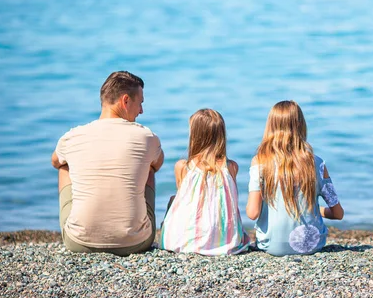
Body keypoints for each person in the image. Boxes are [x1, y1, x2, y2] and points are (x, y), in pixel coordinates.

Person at [51, 71, 164, 255]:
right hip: (136, 242)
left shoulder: (72, 136)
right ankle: (132, 224)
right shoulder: (146, 136)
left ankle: (84, 225)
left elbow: (55, 161)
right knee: (148, 167)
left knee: (65, 166)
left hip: (78, 242)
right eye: (140, 103)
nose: (141, 111)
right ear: (125, 100)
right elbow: (157, 163)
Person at [246, 100, 344, 256]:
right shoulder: (317, 164)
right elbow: (338, 213)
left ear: (270, 127)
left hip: (271, 246)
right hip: (312, 245)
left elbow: (252, 213)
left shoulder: (260, 162)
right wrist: (316, 210)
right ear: (301, 126)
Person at [160, 109, 250, 255]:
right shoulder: (231, 167)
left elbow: (183, 204)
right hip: (225, 241)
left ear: (195, 136)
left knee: (174, 201)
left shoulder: (183, 167)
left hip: (184, 242)